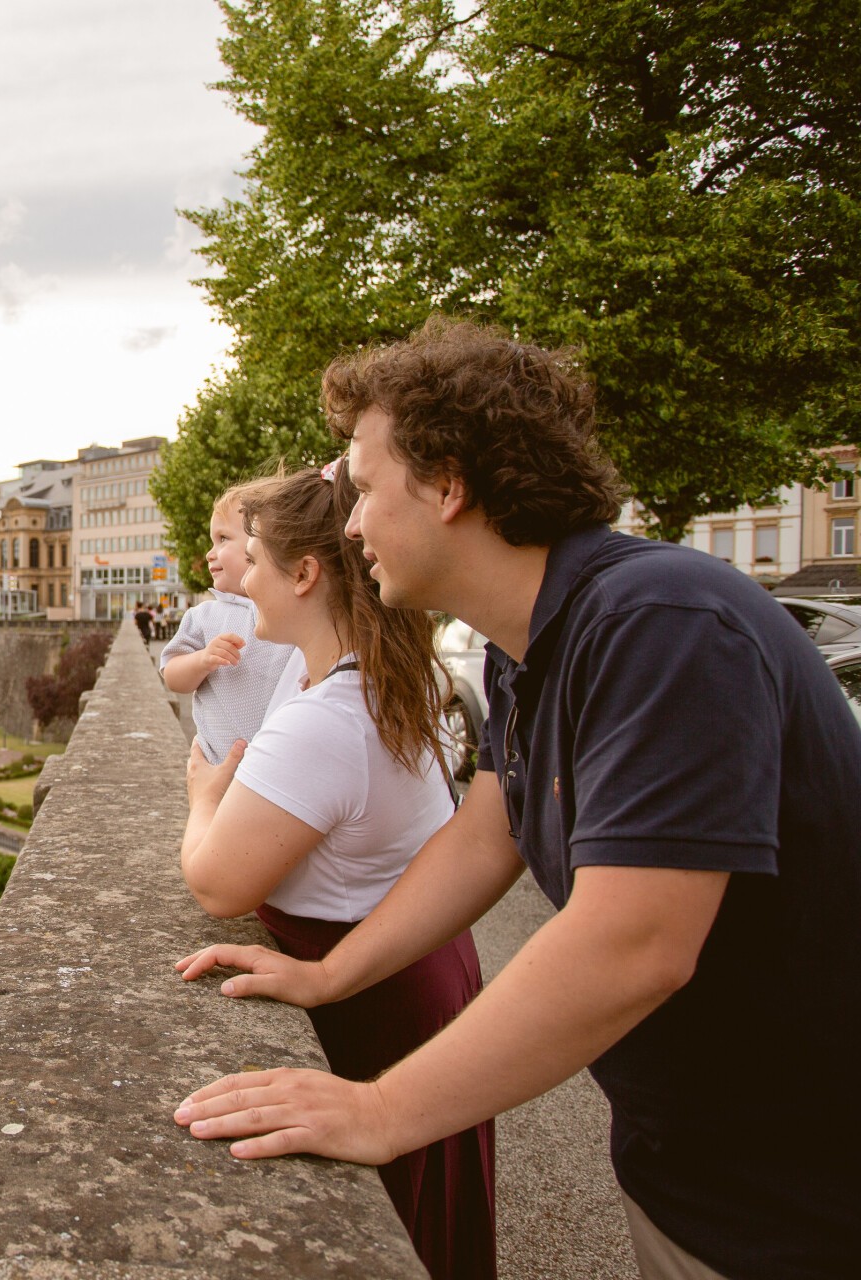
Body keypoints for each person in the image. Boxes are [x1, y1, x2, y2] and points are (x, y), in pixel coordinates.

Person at [171, 318, 861, 1280]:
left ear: (449, 484)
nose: (354, 521)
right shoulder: (532, 643)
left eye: (366, 489)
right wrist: (332, 978)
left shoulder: (660, 623)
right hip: (696, 1166)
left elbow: (635, 942)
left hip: (801, 1193)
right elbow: (484, 834)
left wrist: (379, 1110)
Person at [176, 461, 492, 1280]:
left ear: (306, 574)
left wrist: (202, 799)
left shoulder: (323, 720)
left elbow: (216, 885)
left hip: (374, 991)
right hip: (417, 961)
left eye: (253, 557)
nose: (239, 575)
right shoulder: (384, 676)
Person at [159, 478, 296, 762]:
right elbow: (172, 674)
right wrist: (202, 659)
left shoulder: (290, 609)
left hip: (279, 762)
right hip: (219, 764)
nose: (210, 553)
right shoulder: (205, 615)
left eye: (223, 539)